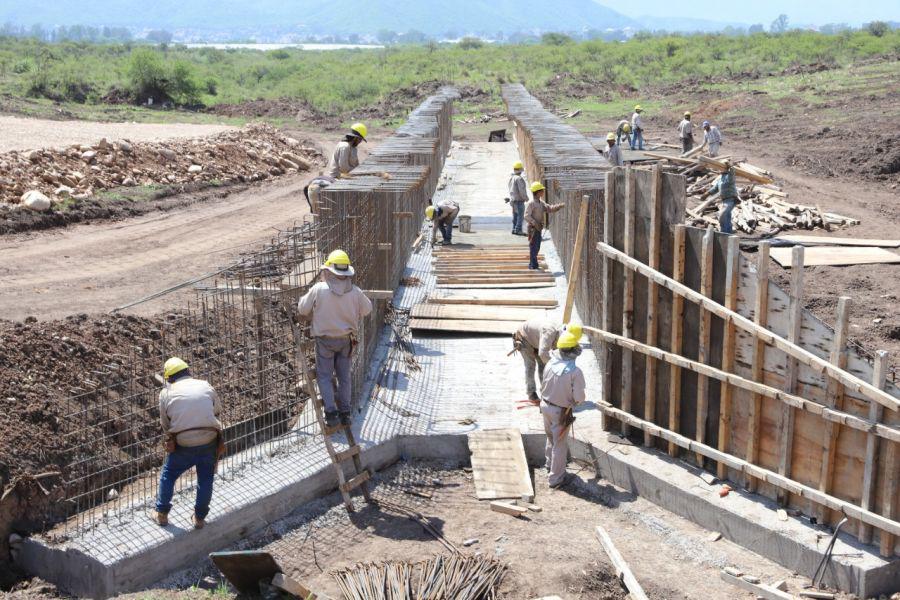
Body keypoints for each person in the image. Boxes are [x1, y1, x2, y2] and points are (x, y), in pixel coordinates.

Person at [297, 250, 373, 428]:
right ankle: (345, 413)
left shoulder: (319, 289)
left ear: (329, 271)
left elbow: (302, 309)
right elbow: (367, 309)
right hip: (346, 340)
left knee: (324, 376)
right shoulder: (355, 292)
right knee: (344, 377)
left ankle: (331, 413)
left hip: (324, 341)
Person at [156, 357, 223, 529]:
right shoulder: (205, 385)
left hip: (184, 443)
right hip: (209, 439)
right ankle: (199, 518)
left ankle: (162, 514)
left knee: (169, 474)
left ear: (169, 378)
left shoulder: (165, 393)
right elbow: (217, 410)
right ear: (188, 371)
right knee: (206, 479)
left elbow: (165, 424)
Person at [541, 330, 586, 489]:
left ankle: (549, 465)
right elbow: (579, 398)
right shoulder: (575, 372)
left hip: (545, 406)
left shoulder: (549, 364)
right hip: (560, 412)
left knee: (551, 438)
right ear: (574, 350)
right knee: (559, 445)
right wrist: (575, 400)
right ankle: (556, 479)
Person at [514, 320, 582, 402]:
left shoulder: (564, 332)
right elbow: (543, 354)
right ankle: (531, 393)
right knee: (530, 366)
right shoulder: (549, 332)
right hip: (524, 337)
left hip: (536, 339)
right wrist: (555, 367)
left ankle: (545, 392)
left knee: (543, 365)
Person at [524, 181, 563, 270]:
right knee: (533, 246)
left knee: (537, 246)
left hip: (538, 228)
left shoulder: (541, 203)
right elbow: (526, 216)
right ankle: (532, 265)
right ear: (537, 192)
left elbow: (549, 209)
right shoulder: (531, 203)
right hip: (533, 229)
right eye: (541, 191)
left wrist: (558, 207)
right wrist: (534, 223)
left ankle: (533, 263)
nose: (543, 192)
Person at [702, 159, 739, 234]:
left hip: (731, 199)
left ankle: (724, 233)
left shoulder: (729, 176)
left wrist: (730, 166)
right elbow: (715, 188)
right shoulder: (721, 178)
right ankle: (728, 233)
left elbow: (732, 173)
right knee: (727, 217)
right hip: (725, 201)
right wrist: (707, 194)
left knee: (722, 215)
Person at [507, 161, 528, 235]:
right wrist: (526, 198)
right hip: (519, 201)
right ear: (520, 170)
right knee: (520, 216)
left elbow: (510, 189)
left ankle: (514, 229)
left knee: (515, 216)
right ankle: (518, 230)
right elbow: (521, 190)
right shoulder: (519, 179)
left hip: (513, 200)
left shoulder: (512, 178)